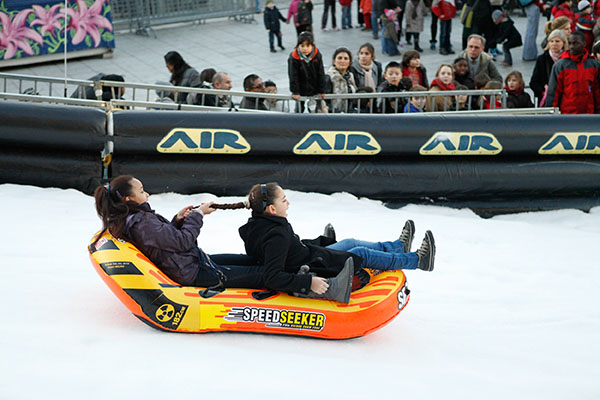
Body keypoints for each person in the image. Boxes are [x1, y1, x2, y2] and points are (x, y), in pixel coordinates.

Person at [237, 183, 436, 303]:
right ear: (272, 209)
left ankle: (398, 247)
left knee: (350, 242)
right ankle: (416, 261)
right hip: (314, 265)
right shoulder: (276, 234)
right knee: (361, 254)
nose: (288, 203)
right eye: (284, 200)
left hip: (310, 253)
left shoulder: (258, 224)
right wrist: (308, 282)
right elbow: (274, 275)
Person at [93, 175, 265, 290]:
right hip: (190, 272)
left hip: (188, 262)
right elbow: (182, 241)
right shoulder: (141, 222)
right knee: (259, 275)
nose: (146, 193)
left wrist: (178, 219)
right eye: (141, 190)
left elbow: (162, 241)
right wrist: (198, 215)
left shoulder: (135, 218)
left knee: (249, 261)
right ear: (128, 198)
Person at [545, 31, 600, 113]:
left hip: (589, 115)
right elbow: (553, 93)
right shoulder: (560, 66)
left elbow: (598, 92)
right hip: (567, 116)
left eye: (575, 43)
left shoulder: (594, 65)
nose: (571, 46)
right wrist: (551, 114)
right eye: (569, 43)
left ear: (584, 44)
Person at [288, 31, 327, 113]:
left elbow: (320, 72)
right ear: (298, 45)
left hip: (314, 89)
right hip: (300, 90)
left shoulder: (317, 55)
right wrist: (295, 91)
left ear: (313, 44)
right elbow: (293, 75)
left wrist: (322, 90)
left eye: (308, 46)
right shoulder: (294, 57)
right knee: (299, 110)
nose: (305, 49)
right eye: (302, 46)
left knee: (316, 110)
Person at [529, 29, 568, 105]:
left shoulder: (567, 59)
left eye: (557, 41)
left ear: (563, 43)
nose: (554, 44)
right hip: (547, 99)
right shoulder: (542, 59)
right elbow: (534, 82)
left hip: (565, 98)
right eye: (551, 41)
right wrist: (543, 92)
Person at [326, 47, 358, 113]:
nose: (343, 61)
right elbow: (326, 101)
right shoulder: (328, 77)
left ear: (349, 62)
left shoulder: (351, 76)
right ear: (334, 61)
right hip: (334, 115)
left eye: (346, 58)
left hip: (349, 114)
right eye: (340, 58)